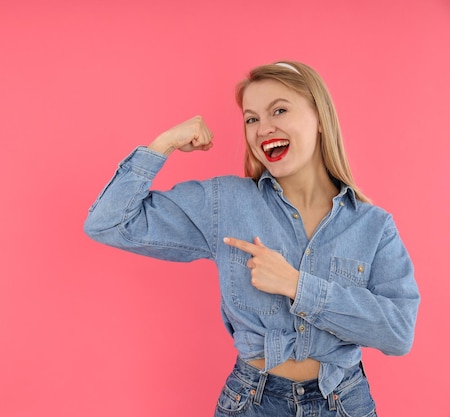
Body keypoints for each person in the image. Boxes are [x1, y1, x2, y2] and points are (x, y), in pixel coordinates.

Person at [83, 61, 419, 416]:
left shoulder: (373, 225)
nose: (263, 128)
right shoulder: (225, 203)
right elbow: (108, 223)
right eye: (251, 119)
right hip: (252, 403)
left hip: (343, 402)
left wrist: (297, 285)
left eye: (279, 110)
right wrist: (162, 145)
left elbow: (398, 332)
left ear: (320, 119)